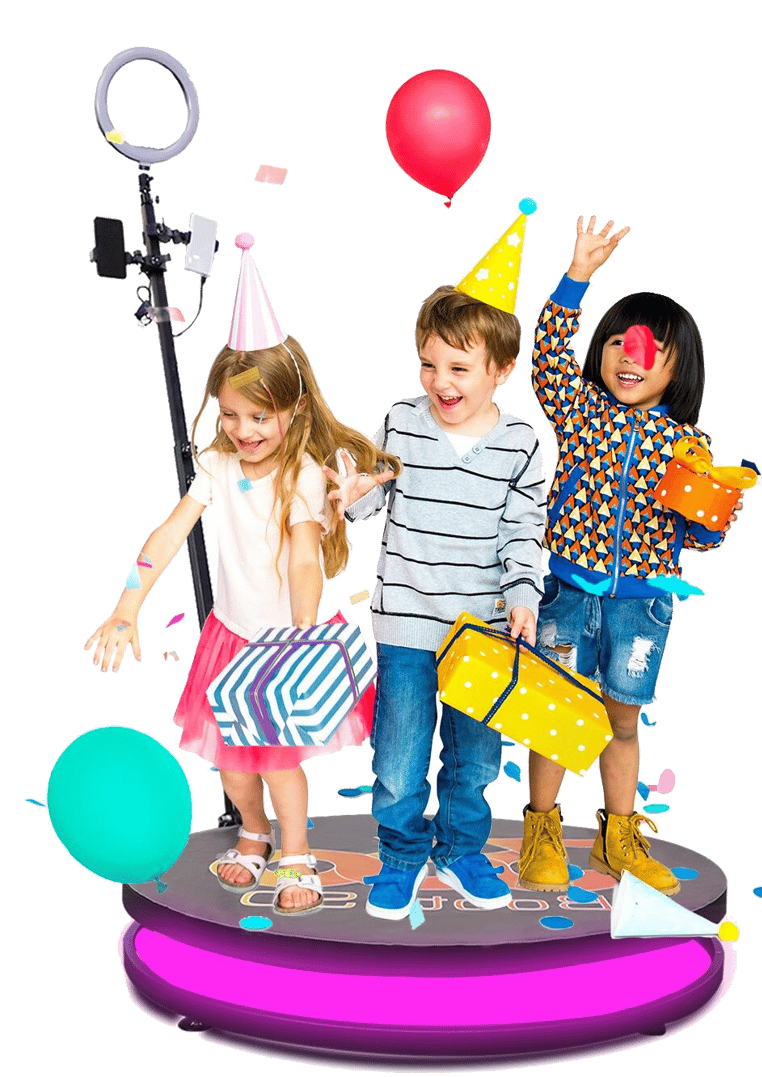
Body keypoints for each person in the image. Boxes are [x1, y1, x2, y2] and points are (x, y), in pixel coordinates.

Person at [84, 233, 399, 915]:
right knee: (232, 761)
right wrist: (127, 605)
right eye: (230, 414)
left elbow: (305, 554)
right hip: (227, 640)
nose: (243, 429)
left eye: (260, 415)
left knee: (278, 760)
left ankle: (295, 852)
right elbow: (171, 532)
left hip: (280, 641)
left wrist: (302, 631)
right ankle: (252, 833)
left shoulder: (303, 474)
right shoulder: (217, 468)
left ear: (294, 409)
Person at [325, 203, 546, 919]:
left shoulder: (520, 445)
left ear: (501, 368)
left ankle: (459, 850)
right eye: (427, 363)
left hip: (484, 630)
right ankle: (399, 856)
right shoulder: (401, 422)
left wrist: (524, 595)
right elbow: (370, 497)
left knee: (475, 759)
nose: (439, 381)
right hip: (407, 624)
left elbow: (524, 530)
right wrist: (349, 496)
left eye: (458, 367)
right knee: (398, 758)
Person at [519, 215, 742, 896]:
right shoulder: (581, 410)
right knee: (554, 713)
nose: (630, 354)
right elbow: (548, 358)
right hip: (568, 592)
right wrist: (576, 277)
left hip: (641, 605)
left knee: (622, 721)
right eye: (619, 341)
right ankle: (541, 827)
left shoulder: (688, 443)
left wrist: (712, 515)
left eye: (651, 348)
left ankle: (617, 837)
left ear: (678, 367)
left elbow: (698, 537)